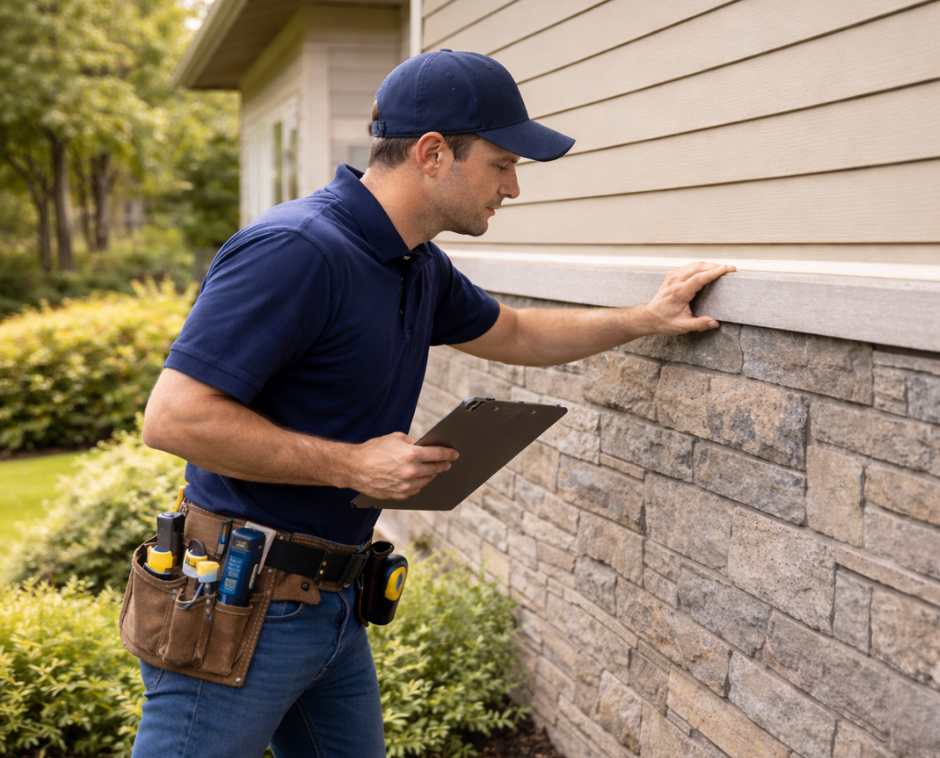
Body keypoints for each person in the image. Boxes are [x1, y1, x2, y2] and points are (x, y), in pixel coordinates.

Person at [135, 49, 734, 758]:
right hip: (242, 605)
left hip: (334, 604)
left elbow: (513, 331)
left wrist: (644, 317)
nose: (512, 188)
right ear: (432, 153)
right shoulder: (296, 250)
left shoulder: (416, 262)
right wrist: (351, 465)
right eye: (502, 164)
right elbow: (173, 418)